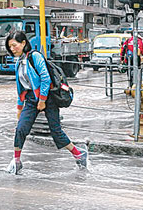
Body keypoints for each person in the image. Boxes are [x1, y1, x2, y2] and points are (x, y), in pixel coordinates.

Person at [5, 30, 88, 174]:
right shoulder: (19, 62)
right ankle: (17, 161)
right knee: (20, 129)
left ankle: (79, 154)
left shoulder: (35, 56)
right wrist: (19, 107)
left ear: (23, 43)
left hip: (48, 98)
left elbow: (45, 78)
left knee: (56, 131)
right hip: (31, 99)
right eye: (10, 47)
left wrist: (42, 100)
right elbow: (21, 86)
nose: (12, 49)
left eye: (14, 45)